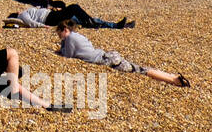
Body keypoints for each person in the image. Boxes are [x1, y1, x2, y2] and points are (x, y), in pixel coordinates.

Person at [55, 21, 189, 86]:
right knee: (140, 68)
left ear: (64, 30)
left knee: (143, 72)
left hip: (106, 60)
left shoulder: (70, 38)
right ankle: (171, 76)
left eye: (59, 34)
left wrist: (61, 46)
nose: (59, 36)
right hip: (108, 56)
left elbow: (68, 55)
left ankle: (174, 80)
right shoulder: (78, 35)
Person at [7, 2, 131, 30]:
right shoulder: (22, 15)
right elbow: (30, 23)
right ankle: (91, 23)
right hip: (50, 18)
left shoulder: (27, 11)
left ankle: (116, 25)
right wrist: (43, 26)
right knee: (74, 8)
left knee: (80, 18)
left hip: (53, 15)